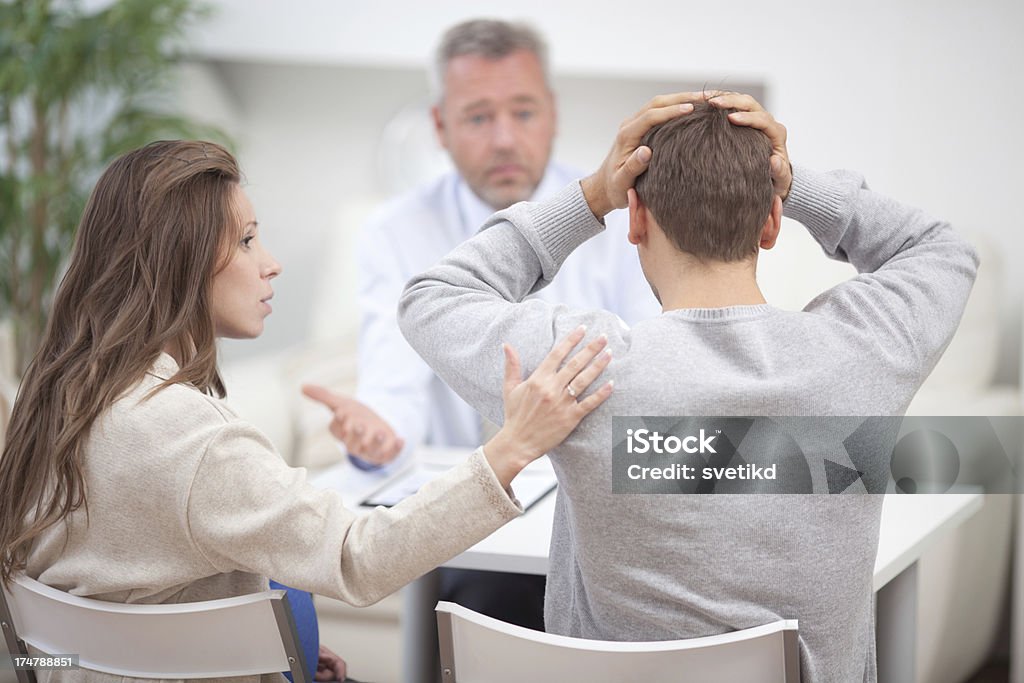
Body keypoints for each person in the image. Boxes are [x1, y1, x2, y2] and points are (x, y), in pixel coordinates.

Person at [396, 93, 978, 681]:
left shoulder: (581, 366)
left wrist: (593, 194)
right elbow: (942, 250)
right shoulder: (862, 353)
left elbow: (432, 297)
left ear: (638, 219)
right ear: (772, 223)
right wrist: (796, 183)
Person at [0, 140, 614, 682]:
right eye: (245, 241)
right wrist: (513, 446)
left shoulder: (53, 395)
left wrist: (244, 657)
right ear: (177, 261)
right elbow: (358, 556)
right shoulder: (190, 439)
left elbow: (40, 651)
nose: (271, 262)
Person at [303, 18, 657, 630]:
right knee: (481, 603)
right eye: (477, 118)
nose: (503, 139)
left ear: (552, 113)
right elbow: (394, 385)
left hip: (604, 503)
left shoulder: (628, 211)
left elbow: (656, 370)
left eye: (523, 112)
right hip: (476, 508)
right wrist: (379, 436)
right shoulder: (395, 231)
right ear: (440, 127)